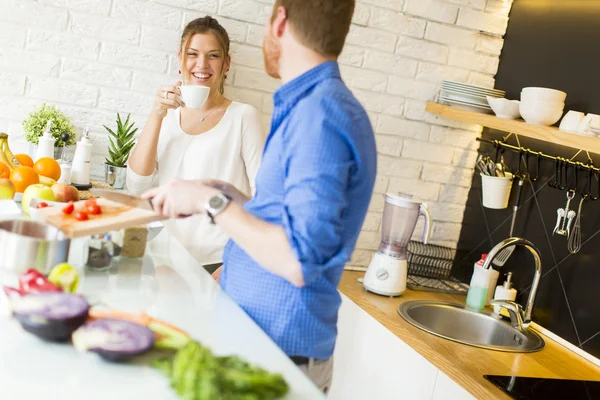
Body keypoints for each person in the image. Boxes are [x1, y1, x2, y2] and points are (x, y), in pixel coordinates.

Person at [142, 0, 376, 392]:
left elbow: (297, 260)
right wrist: (224, 193)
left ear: (280, 20)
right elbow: (285, 223)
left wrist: (209, 203)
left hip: (278, 352)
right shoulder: (309, 105)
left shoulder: (319, 117)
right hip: (254, 339)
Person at [127, 16, 265, 269]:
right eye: (193, 54)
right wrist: (156, 114)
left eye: (213, 55)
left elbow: (264, 196)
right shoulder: (166, 115)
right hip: (166, 259)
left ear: (226, 63)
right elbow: (136, 185)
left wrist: (236, 263)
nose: (202, 64)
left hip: (220, 260)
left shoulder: (244, 116)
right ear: (180, 59)